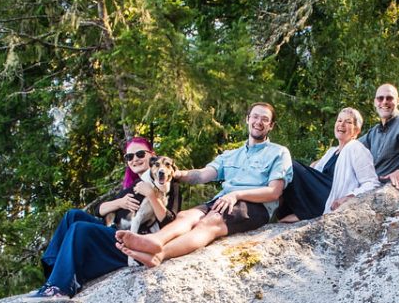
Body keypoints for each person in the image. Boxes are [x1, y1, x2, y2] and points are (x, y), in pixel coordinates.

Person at [117, 103, 291, 267]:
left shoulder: (278, 152)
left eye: (264, 119)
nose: (258, 122)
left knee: (211, 221)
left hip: (255, 206)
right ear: (247, 119)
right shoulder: (230, 155)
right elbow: (201, 175)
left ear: (271, 125)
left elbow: (274, 192)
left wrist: (237, 195)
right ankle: (155, 241)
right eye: (255, 117)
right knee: (186, 216)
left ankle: (160, 254)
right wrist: (174, 173)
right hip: (223, 201)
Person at [32, 136, 181, 298]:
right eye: (129, 157)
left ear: (152, 156)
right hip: (115, 232)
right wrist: (120, 202)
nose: (135, 159)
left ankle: (60, 287)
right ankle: (53, 276)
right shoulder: (134, 185)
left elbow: (169, 223)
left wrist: (151, 195)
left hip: (135, 241)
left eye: (140, 154)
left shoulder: (168, 183)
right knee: (72, 216)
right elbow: (99, 210)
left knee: (79, 229)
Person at [277, 108, 380, 222]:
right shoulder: (332, 151)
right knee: (284, 171)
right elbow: (314, 173)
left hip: (330, 197)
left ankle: (306, 214)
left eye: (348, 122)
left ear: (356, 130)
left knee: (289, 164)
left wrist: (349, 197)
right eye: (339, 120)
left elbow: (371, 183)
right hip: (319, 193)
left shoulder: (356, 148)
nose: (342, 124)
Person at [359, 84, 399, 191]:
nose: (384, 102)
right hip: (369, 187)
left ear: (398, 101)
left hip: (389, 188)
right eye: (380, 98)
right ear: (375, 102)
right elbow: (352, 147)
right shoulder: (374, 132)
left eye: (389, 98)